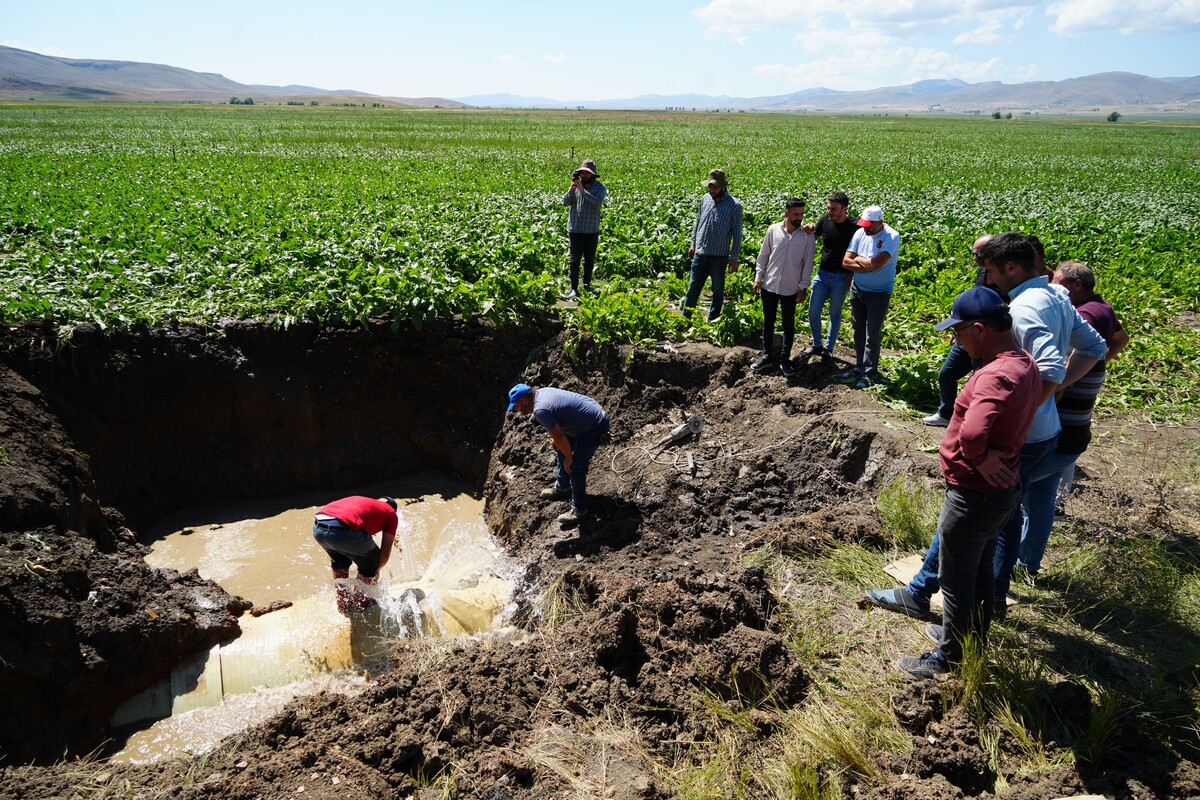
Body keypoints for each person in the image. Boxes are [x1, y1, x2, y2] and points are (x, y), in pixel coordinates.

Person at [865, 232, 1107, 620]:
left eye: (992, 271)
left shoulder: (1025, 309)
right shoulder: (1056, 298)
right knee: (1007, 515)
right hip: (1043, 433)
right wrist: (1048, 397)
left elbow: (1049, 366)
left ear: (1011, 267)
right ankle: (992, 594)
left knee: (965, 518)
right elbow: (1095, 347)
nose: (990, 280)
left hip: (1017, 438)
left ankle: (925, 592)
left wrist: (1031, 404)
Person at [899, 287, 1042, 678]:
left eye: (958, 333)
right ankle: (969, 636)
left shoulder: (995, 374)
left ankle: (950, 656)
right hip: (1000, 492)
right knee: (978, 569)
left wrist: (978, 458)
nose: (955, 341)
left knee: (955, 576)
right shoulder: (1024, 363)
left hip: (974, 496)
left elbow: (974, 434)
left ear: (979, 329)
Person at [1018, 261, 1129, 573]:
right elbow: (1121, 339)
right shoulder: (1103, 307)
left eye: (1061, 283)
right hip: (1077, 426)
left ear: (1078, 286)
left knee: (1013, 495)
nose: (1056, 289)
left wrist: (1060, 385)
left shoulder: (1083, 314)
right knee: (1040, 502)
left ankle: (1001, 567)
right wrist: (1097, 364)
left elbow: (1058, 366)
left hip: (1059, 429)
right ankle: (1026, 564)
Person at [508, 383, 610, 527]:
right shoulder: (541, 393)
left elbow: (561, 438)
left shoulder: (539, 410)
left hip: (594, 426)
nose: (516, 410)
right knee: (560, 448)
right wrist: (557, 441)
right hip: (587, 418)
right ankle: (563, 487)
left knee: (575, 466)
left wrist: (569, 458)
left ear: (524, 400)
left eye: (516, 405)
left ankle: (580, 509)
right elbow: (559, 426)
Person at [923, 234, 993, 427]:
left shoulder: (1005, 279)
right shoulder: (983, 273)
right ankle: (946, 414)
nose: (974, 258)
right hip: (968, 332)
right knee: (946, 374)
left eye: (977, 253)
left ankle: (975, 422)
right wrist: (960, 330)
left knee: (980, 381)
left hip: (984, 337)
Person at [751, 198, 816, 378]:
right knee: (768, 321)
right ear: (786, 212)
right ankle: (766, 355)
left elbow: (807, 264)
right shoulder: (773, 230)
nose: (800, 217)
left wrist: (803, 287)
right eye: (796, 214)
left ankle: (785, 359)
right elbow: (763, 255)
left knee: (788, 324)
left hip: (791, 287)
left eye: (802, 214)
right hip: (770, 285)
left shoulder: (807, 236)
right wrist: (758, 278)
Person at [841, 205, 900, 389]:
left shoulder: (891, 236)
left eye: (869, 225)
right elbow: (845, 261)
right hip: (858, 289)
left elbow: (876, 264)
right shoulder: (860, 233)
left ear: (879, 222)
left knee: (872, 333)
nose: (865, 228)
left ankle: (869, 373)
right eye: (864, 224)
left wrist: (859, 261)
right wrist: (865, 263)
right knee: (858, 329)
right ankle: (859, 366)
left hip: (879, 292)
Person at [312, 496, 399, 614]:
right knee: (372, 560)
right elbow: (385, 551)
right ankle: (361, 602)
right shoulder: (391, 513)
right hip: (344, 529)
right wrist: (375, 570)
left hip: (318, 527)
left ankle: (343, 603)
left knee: (340, 562)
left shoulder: (365, 503)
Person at [803, 191, 859, 361]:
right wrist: (807, 229)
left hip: (842, 277)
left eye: (834, 209)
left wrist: (852, 273)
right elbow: (813, 236)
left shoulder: (855, 226)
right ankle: (817, 344)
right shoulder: (825, 220)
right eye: (828, 208)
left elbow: (861, 251)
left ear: (845, 209)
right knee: (813, 311)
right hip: (822, 273)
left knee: (834, 313)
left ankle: (829, 348)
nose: (830, 212)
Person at [684, 169, 743, 322]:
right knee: (693, 288)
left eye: (715, 187)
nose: (712, 190)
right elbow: (698, 222)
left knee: (717, 290)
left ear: (723, 187)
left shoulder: (734, 206)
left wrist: (734, 257)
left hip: (719, 257)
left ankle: (713, 320)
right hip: (700, 253)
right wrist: (693, 243)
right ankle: (685, 318)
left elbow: (737, 234)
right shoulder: (705, 199)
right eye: (710, 187)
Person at [562, 159, 607, 299]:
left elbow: (597, 203)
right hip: (575, 230)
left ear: (593, 175)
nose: (585, 175)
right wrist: (572, 189)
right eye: (583, 172)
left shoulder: (600, 188)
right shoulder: (576, 186)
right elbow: (564, 202)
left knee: (589, 260)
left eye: (587, 173)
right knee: (574, 261)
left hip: (591, 230)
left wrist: (582, 191)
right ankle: (574, 288)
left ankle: (587, 286)